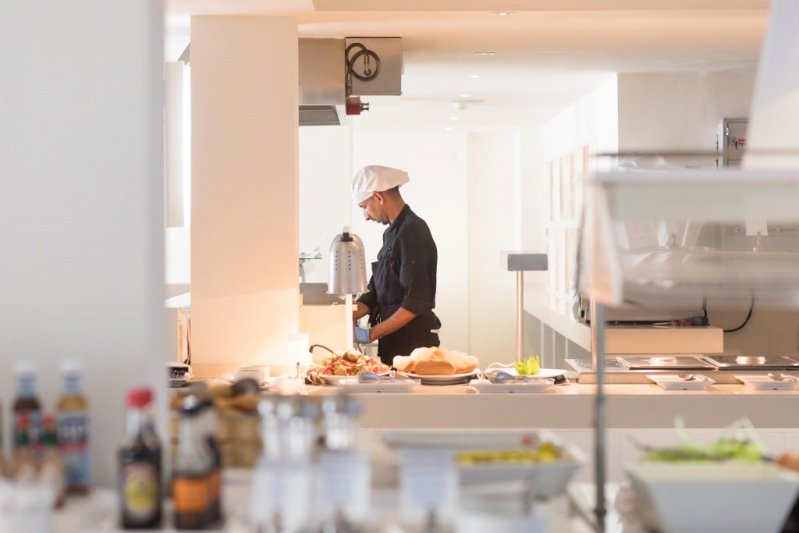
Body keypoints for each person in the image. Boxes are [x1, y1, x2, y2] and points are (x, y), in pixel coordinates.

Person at [351, 165, 441, 365]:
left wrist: (369, 334)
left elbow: (415, 303)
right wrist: (338, 317)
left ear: (378, 197)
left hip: (413, 348)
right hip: (393, 344)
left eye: (364, 207)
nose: (365, 216)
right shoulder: (391, 233)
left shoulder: (412, 231)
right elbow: (375, 294)